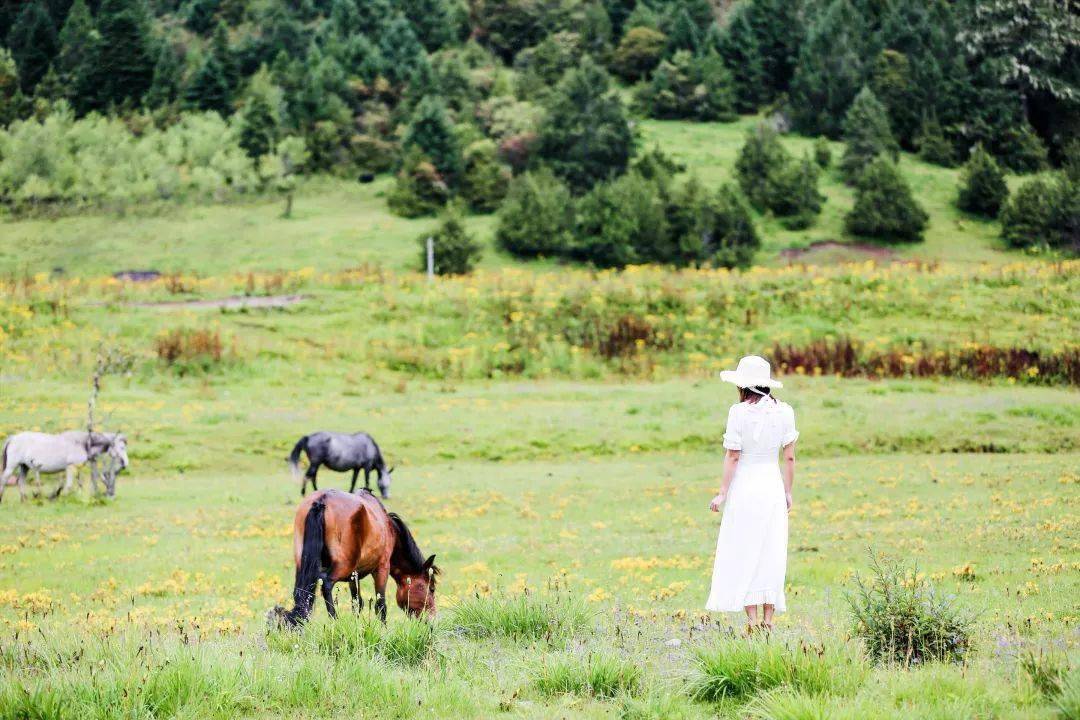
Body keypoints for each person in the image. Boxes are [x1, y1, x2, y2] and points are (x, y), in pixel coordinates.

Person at [706, 355, 798, 632]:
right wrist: (788, 491)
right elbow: (790, 457)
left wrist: (722, 493)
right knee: (770, 547)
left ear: (743, 386)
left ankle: (752, 620)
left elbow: (733, 456)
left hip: (745, 486)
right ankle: (768, 621)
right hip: (771, 484)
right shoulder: (785, 411)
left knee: (746, 547)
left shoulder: (738, 412)